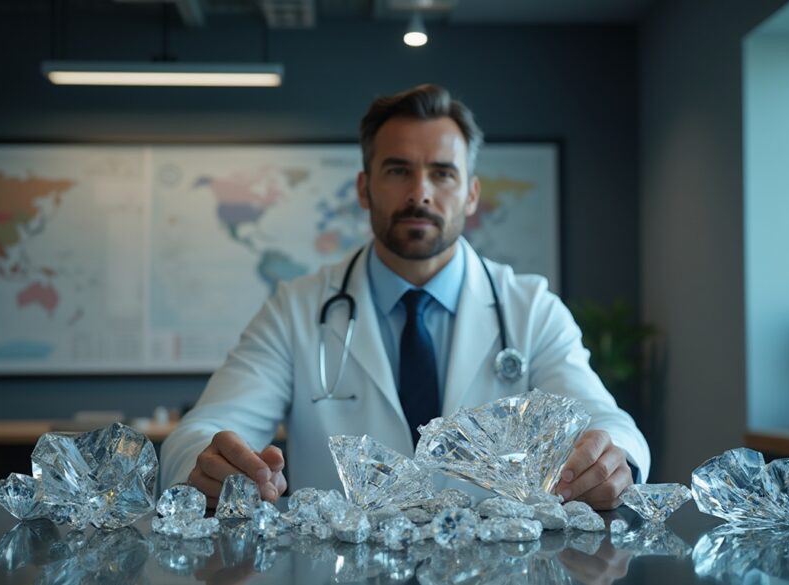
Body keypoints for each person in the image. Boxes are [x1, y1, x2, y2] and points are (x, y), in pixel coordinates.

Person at [160, 84, 650, 510]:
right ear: (364, 188)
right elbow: (206, 428)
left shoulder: (530, 308)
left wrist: (614, 460)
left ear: (472, 194)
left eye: (442, 173)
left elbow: (608, 424)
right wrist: (205, 464)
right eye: (397, 171)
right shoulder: (296, 309)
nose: (420, 192)